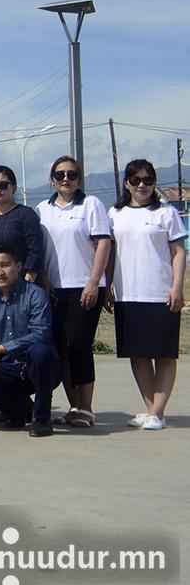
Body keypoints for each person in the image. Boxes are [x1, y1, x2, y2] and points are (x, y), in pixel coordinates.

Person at [109, 159, 186, 431]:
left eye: (148, 180)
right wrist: (106, 285)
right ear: (126, 183)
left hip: (160, 294)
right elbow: (110, 253)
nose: (141, 185)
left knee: (164, 355)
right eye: (136, 180)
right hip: (127, 294)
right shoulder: (115, 213)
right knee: (138, 355)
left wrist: (177, 287)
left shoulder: (166, 213)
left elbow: (178, 252)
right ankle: (152, 410)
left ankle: (157, 411)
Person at [37, 155, 112, 428]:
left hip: (84, 287)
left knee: (80, 345)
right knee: (62, 348)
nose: (66, 179)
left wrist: (94, 282)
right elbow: (39, 250)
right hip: (54, 289)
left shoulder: (91, 205)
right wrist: (44, 280)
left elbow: (103, 244)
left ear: (79, 179)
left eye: (72, 174)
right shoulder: (42, 210)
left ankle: (87, 408)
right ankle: (73, 406)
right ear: (52, 179)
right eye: (60, 175)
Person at [0, 243, 60, 437]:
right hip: (8, 368)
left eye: (5, 265)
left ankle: (42, 418)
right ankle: (20, 409)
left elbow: (41, 333)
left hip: (38, 367)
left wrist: (3, 348)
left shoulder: (35, 294)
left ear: (19, 266)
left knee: (39, 352)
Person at [0, 165, 44, 284]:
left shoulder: (25, 214)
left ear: (14, 188)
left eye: (3, 185)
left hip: (22, 282)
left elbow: (36, 249)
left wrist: (30, 275)